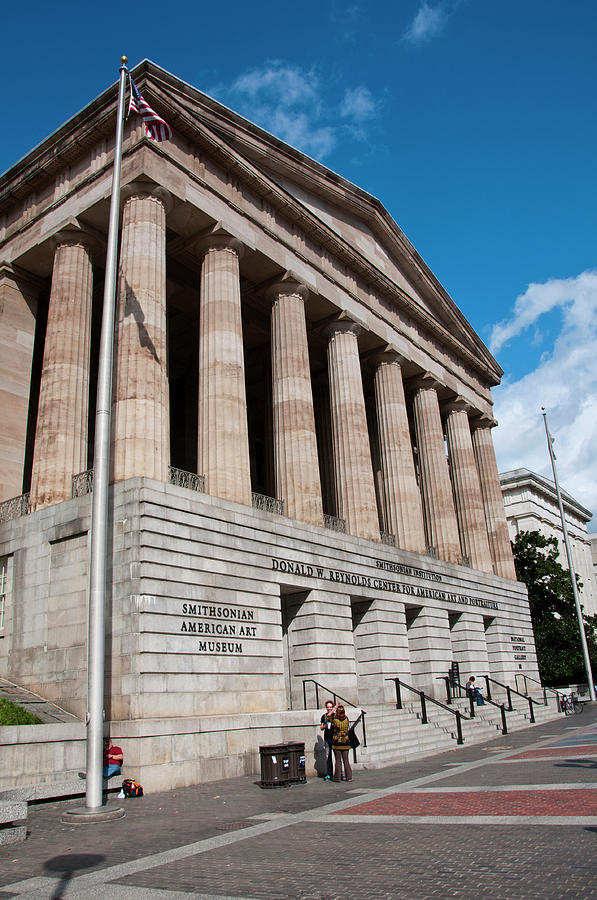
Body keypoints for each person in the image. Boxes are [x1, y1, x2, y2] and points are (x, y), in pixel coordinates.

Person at [331, 704, 352, 783]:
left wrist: (334, 708)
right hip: (346, 741)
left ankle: (337, 777)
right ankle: (349, 777)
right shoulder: (346, 719)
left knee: (338, 760)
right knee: (346, 760)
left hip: (337, 742)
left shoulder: (335, 720)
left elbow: (328, 716)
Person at [319, 699, 337, 780]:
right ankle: (329, 773)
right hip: (327, 738)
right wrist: (325, 726)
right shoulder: (324, 716)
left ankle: (338, 773)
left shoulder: (335, 716)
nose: (329, 708)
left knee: (337, 757)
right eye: (328, 707)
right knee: (328, 757)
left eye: (330, 707)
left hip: (335, 738)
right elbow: (321, 727)